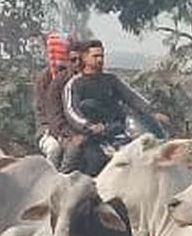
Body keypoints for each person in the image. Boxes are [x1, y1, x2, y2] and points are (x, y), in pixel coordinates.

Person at [59, 39, 169, 174]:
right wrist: (88, 126)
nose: (100, 59)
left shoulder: (111, 79)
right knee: (88, 158)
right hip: (90, 135)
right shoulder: (74, 84)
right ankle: (63, 180)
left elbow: (132, 97)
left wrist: (152, 112)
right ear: (84, 58)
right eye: (95, 56)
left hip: (116, 131)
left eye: (101, 56)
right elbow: (71, 111)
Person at [32, 36, 81, 169]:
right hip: (47, 129)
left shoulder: (74, 78)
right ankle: (49, 179)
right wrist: (56, 133)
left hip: (69, 129)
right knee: (54, 149)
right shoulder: (43, 79)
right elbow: (43, 113)